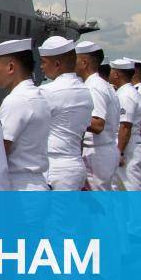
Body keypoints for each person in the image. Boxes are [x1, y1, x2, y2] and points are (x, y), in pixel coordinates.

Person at [0, 38, 51, 190]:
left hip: (19, 188)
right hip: (35, 183)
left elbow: (0, 149)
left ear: (10, 67)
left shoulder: (16, 100)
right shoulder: (38, 95)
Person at [37, 36, 94, 190]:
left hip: (54, 166)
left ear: (56, 64)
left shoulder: (48, 91)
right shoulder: (85, 91)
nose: (41, 67)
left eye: (43, 62)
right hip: (74, 164)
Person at [75, 41, 120, 190]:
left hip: (97, 152)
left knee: (98, 205)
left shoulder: (93, 86)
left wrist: (70, 118)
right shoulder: (101, 84)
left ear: (84, 62)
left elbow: (98, 124)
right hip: (103, 150)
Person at [109, 59, 141, 190]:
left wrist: (120, 152)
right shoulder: (125, 92)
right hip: (127, 146)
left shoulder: (126, 94)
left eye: (111, 71)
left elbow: (125, 126)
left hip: (128, 148)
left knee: (131, 187)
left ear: (117, 74)